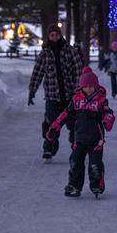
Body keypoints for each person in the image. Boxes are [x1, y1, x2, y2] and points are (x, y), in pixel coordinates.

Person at [45, 67, 115, 198]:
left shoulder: (100, 100)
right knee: (75, 162)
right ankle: (74, 186)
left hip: (96, 140)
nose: (89, 89)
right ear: (81, 87)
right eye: (86, 86)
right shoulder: (76, 100)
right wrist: (56, 126)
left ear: (96, 86)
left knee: (95, 165)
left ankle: (97, 185)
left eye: (91, 86)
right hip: (79, 138)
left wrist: (107, 120)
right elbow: (66, 113)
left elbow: (108, 112)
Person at [28, 24, 82, 163]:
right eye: (52, 35)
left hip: (70, 95)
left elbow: (78, 70)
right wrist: (32, 90)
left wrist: (78, 89)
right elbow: (38, 72)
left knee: (74, 124)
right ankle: (49, 148)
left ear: (60, 35)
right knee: (51, 124)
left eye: (57, 35)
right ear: (48, 36)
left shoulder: (70, 51)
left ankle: (77, 147)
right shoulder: (45, 53)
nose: (55, 37)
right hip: (53, 96)